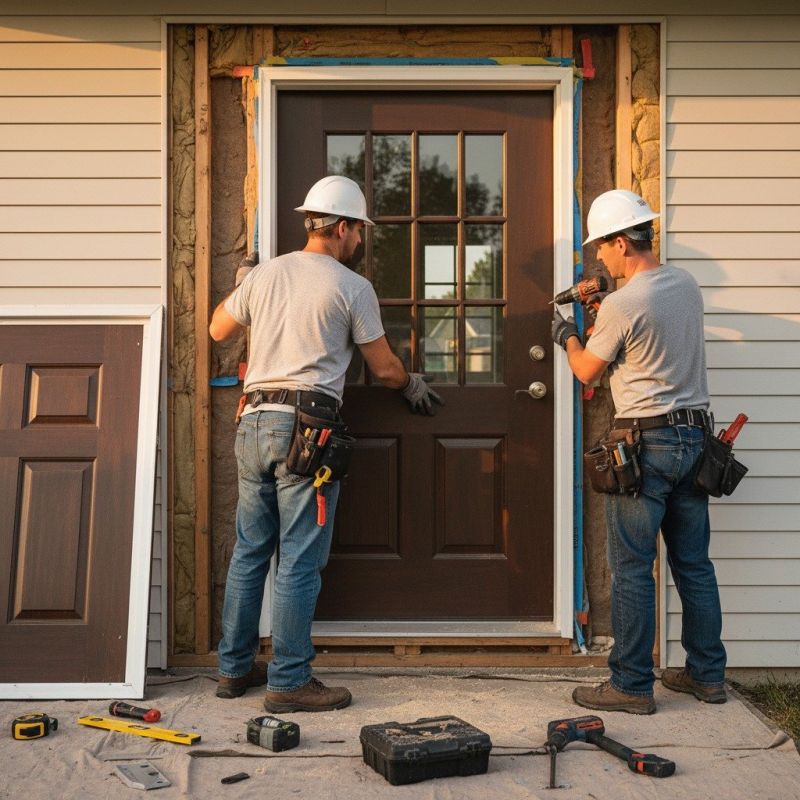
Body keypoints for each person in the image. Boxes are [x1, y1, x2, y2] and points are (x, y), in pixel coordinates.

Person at [209, 175, 443, 712]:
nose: (360, 241)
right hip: (306, 431)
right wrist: (410, 384)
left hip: (253, 420)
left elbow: (219, 328)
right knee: (297, 560)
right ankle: (289, 682)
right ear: (341, 228)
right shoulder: (350, 286)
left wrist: (245, 286)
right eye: (359, 231)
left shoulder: (267, 275)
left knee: (250, 552)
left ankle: (233, 669)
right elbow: (382, 368)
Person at [551, 189, 726, 715]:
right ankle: (707, 675)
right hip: (696, 441)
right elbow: (652, 336)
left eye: (602, 248)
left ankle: (629, 685)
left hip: (645, 446)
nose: (598, 258)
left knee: (630, 569)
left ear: (622, 242)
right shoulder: (685, 285)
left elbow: (588, 371)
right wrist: (604, 307)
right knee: (693, 565)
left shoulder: (625, 304)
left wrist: (567, 334)